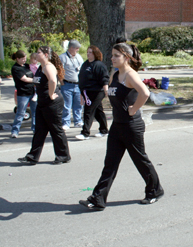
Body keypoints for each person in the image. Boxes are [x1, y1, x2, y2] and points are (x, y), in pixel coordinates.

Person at [79, 43, 163, 211]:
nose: (112, 58)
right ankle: (98, 198)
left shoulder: (131, 75)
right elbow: (112, 94)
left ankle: (155, 190)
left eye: (116, 55)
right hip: (117, 126)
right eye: (112, 55)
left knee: (141, 160)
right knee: (110, 163)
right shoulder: (115, 75)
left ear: (126, 57)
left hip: (132, 126)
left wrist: (134, 109)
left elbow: (145, 93)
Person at [18, 46, 71, 165]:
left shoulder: (48, 67)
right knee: (39, 130)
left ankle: (63, 156)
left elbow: (53, 81)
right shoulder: (40, 67)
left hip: (52, 103)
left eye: (39, 52)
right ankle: (32, 156)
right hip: (42, 102)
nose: (36, 54)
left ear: (46, 54)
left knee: (55, 129)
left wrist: (51, 95)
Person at [75, 45, 109, 140]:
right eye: (87, 52)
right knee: (98, 112)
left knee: (88, 111)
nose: (88, 54)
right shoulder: (85, 64)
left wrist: (106, 91)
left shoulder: (99, 65)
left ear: (95, 54)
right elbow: (81, 78)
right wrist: (81, 91)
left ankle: (85, 133)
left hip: (97, 91)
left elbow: (104, 78)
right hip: (87, 91)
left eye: (90, 52)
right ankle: (104, 130)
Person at [10, 50, 37, 138]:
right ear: (17, 59)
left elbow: (33, 71)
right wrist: (36, 80)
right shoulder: (16, 68)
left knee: (35, 112)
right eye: (22, 59)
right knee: (20, 113)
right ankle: (15, 131)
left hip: (32, 92)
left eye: (25, 58)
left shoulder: (26, 66)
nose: (24, 60)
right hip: (23, 93)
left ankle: (35, 129)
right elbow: (24, 79)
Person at [59, 39, 84, 130]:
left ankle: (78, 121)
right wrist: (61, 82)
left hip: (78, 84)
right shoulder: (63, 57)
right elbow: (59, 71)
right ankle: (66, 122)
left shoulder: (79, 57)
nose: (78, 50)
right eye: (76, 48)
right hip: (67, 84)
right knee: (66, 105)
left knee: (78, 104)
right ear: (71, 48)